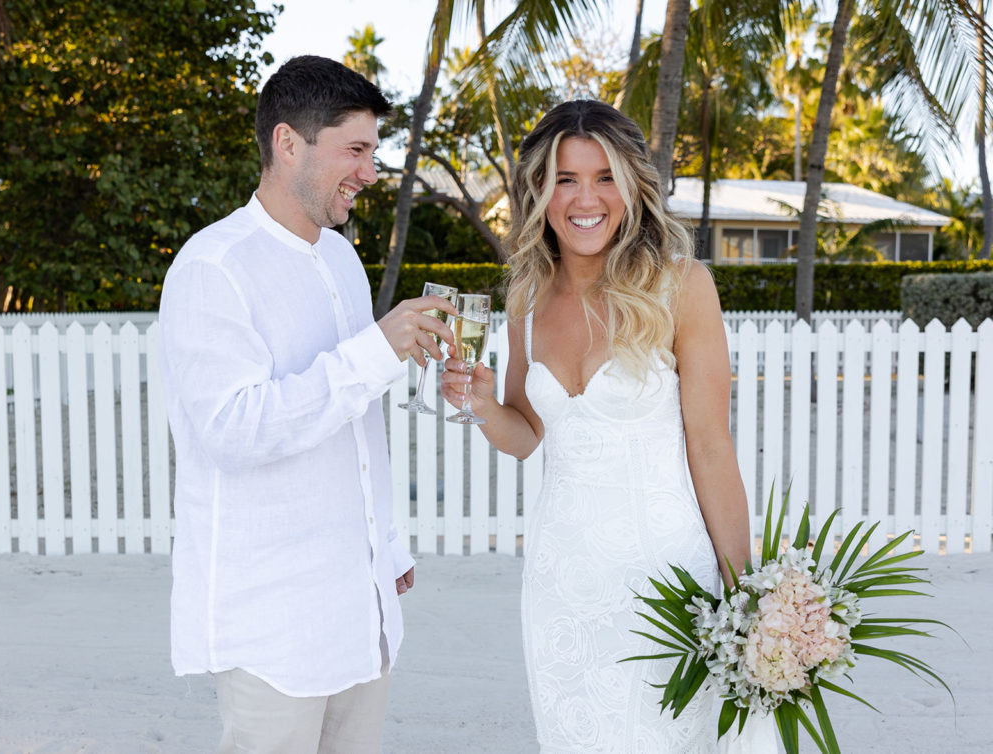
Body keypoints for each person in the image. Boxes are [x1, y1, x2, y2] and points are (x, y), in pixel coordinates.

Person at [442, 100, 770, 752]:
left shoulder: (682, 285)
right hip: (562, 583)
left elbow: (710, 445)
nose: (584, 198)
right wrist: (481, 404)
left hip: (665, 579)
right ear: (539, 190)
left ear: (631, 187)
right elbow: (527, 434)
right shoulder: (526, 300)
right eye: (565, 178)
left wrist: (745, 597)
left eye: (603, 177)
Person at [157, 55, 456, 753]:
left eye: (372, 151)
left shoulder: (342, 261)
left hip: (362, 610)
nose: (371, 171)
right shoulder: (213, 268)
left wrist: (384, 543)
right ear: (289, 143)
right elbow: (234, 430)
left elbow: (354, 426)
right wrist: (378, 350)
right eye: (355, 149)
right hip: (274, 625)